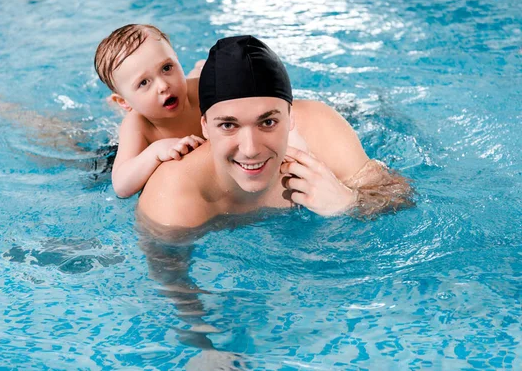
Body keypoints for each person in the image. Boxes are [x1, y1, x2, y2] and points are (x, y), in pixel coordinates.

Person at [137, 35, 413, 230]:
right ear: (205, 127)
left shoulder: (320, 128)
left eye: (267, 122)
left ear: (291, 118)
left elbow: (401, 196)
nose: (251, 148)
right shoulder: (173, 195)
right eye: (228, 125)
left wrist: (349, 201)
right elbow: (172, 288)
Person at [94, 24, 206, 198]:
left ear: (177, 59)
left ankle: (199, 67)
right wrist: (155, 151)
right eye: (144, 82)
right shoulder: (137, 125)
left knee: (199, 76)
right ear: (124, 101)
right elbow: (121, 186)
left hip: (190, 85)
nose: (163, 85)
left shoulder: (202, 90)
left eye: (167, 67)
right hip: (121, 140)